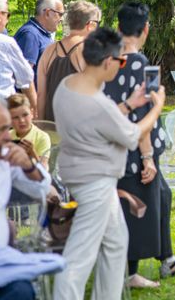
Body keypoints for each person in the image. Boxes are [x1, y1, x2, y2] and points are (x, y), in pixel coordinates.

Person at [52, 27, 166, 300]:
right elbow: (132, 134)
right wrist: (156, 107)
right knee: (79, 257)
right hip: (95, 183)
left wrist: (129, 104)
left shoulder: (67, 87)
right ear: (107, 62)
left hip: (80, 175)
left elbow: (96, 121)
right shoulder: (97, 103)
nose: (122, 65)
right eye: (121, 61)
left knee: (115, 244)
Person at [104, 2, 175, 288]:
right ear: (146, 29)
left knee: (163, 196)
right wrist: (147, 157)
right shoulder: (142, 64)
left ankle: (167, 259)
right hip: (137, 148)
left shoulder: (108, 61)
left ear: (118, 28)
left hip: (115, 142)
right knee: (135, 207)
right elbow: (143, 114)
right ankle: (130, 273)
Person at [0, 93, 65, 300]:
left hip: (1, 260)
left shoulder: (3, 156)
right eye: (1, 129)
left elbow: (41, 188)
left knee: (23, 290)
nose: (8, 136)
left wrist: (29, 166)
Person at [37, 0, 101, 121]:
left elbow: (41, 95)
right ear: (90, 24)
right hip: (77, 129)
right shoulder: (88, 51)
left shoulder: (49, 51)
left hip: (51, 126)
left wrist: (41, 126)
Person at [0, 0, 36, 110]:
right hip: (0, 112)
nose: (7, 20)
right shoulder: (5, 43)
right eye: (7, 15)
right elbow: (26, 77)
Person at [14, 0, 65, 84]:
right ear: (48, 13)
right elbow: (24, 78)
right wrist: (34, 98)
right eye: (60, 14)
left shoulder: (41, 33)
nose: (62, 19)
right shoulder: (30, 35)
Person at [8, 94, 50, 171]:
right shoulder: (7, 136)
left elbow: (44, 171)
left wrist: (32, 152)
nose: (21, 120)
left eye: (25, 115)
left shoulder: (42, 137)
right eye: (15, 117)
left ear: (32, 113)